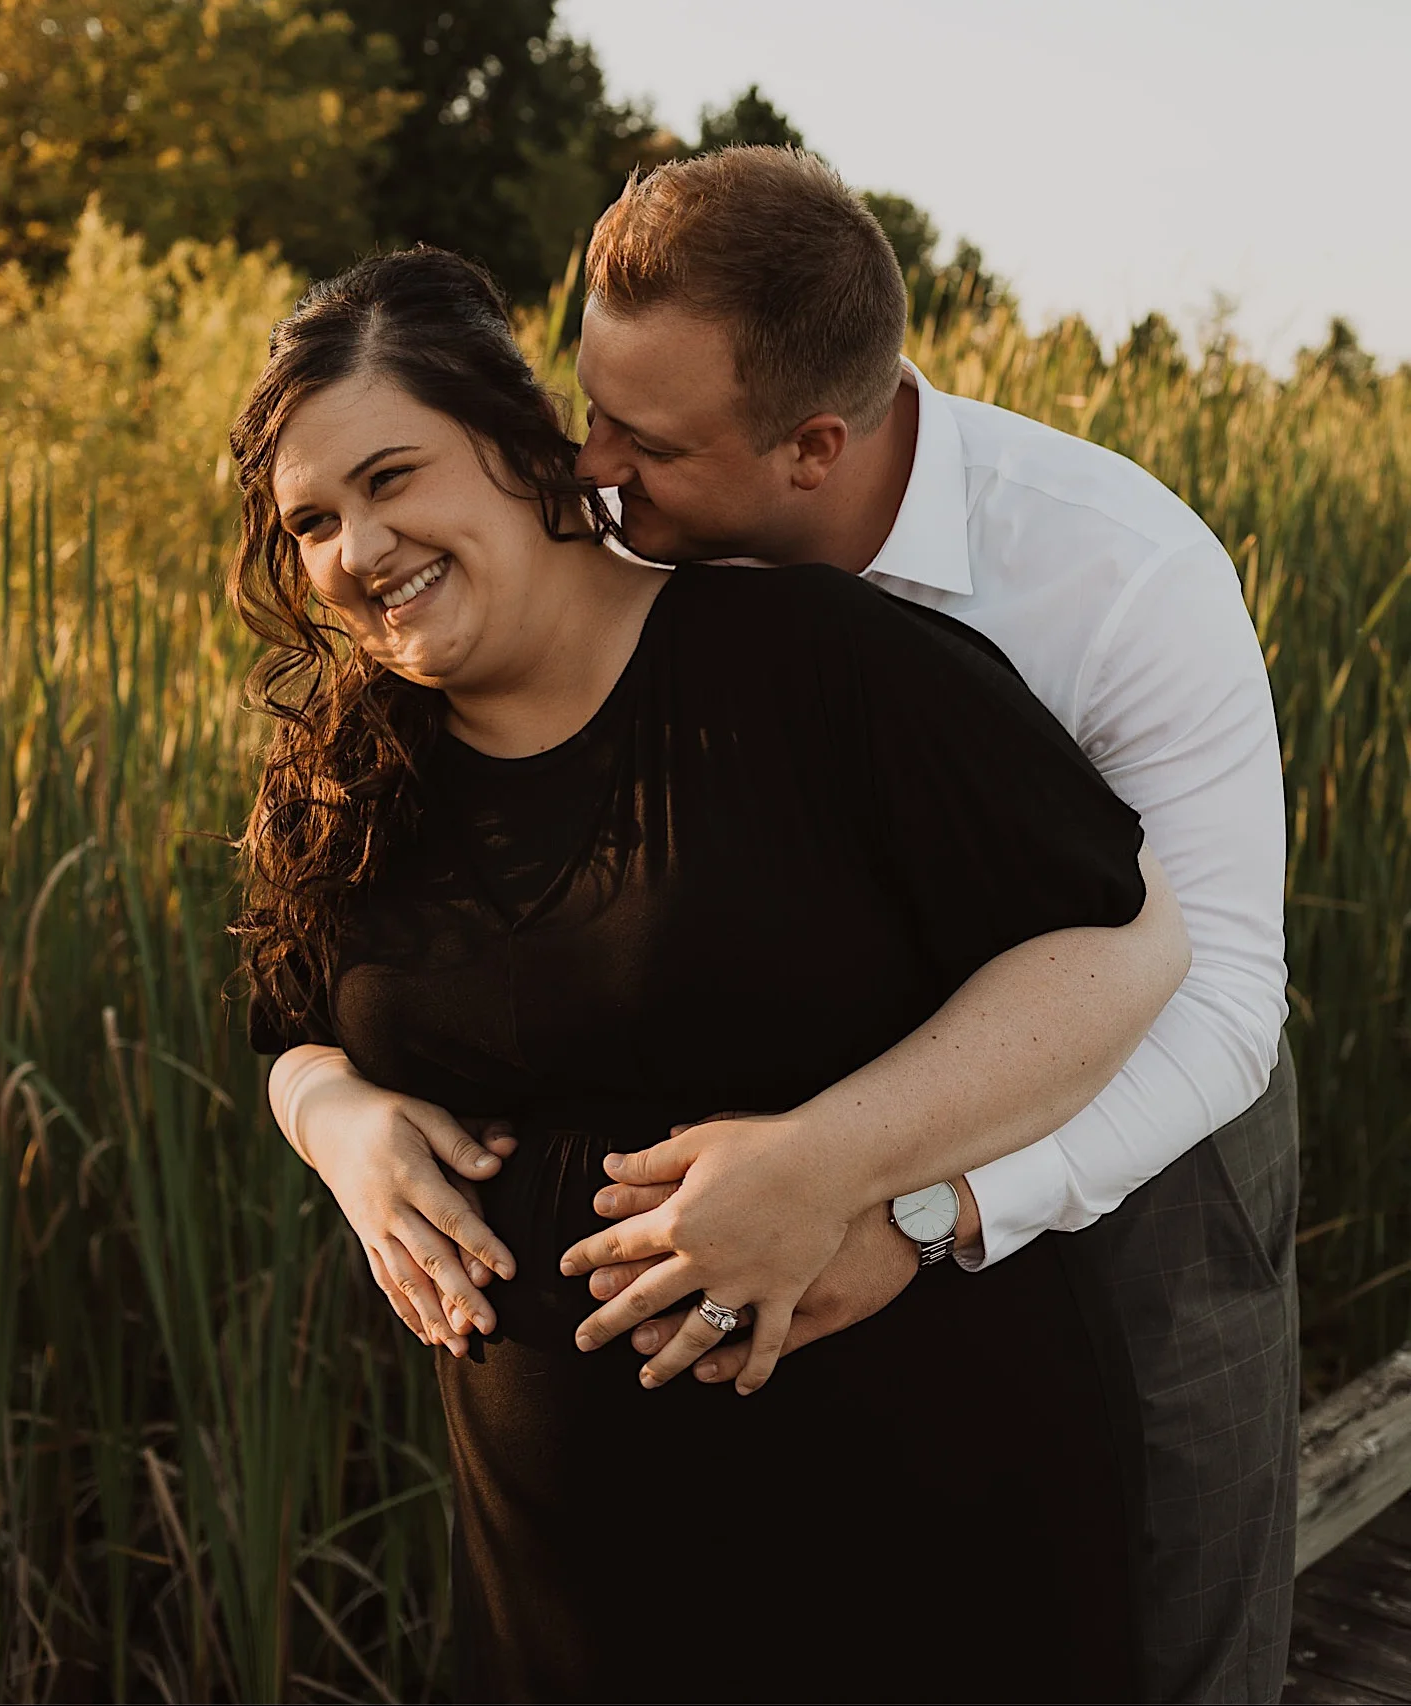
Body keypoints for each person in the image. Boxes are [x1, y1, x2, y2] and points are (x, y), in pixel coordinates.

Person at [275, 148, 1297, 1706]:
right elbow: (299, 995)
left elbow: (1203, 984)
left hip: (1138, 1124)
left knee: (1190, 1580)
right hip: (594, 1569)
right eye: (586, 406)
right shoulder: (544, 592)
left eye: (642, 439)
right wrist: (331, 1107)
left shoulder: (1112, 573)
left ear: (811, 446)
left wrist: (903, 1204)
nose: (590, 464)